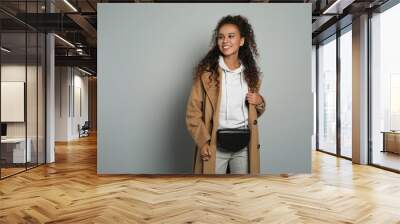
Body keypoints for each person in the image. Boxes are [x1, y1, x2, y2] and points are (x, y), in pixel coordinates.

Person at [186, 15, 266, 175]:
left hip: (244, 144)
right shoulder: (206, 75)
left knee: (242, 191)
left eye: (231, 36)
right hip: (214, 143)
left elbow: (254, 111)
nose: (225, 41)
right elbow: (192, 113)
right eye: (221, 37)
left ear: (242, 41)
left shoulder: (251, 76)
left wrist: (259, 101)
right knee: (211, 193)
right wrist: (203, 142)